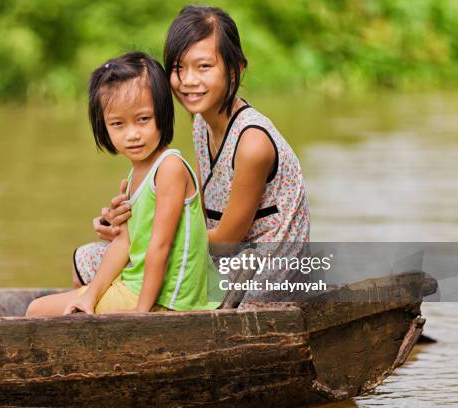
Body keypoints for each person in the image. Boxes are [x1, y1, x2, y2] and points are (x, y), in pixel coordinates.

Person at [72, 6, 310, 308]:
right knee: (86, 259)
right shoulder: (202, 125)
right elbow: (191, 211)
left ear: (235, 68)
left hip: (263, 274)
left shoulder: (252, 144)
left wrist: (145, 235)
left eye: (204, 67)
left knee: (120, 263)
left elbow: (226, 240)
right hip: (221, 261)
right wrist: (126, 222)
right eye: (178, 68)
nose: (188, 80)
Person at [26, 52, 220, 316]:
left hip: (170, 301)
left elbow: (159, 246)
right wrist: (91, 296)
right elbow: (123, 244)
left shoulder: (169, 168)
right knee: (58, 305)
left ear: (162, 113)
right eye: (118, 124)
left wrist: (141, 313)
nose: (133, 135)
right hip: (138, 285)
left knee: (37, 311)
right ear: (104, 128)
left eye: (143, 119)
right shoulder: (135, 175)